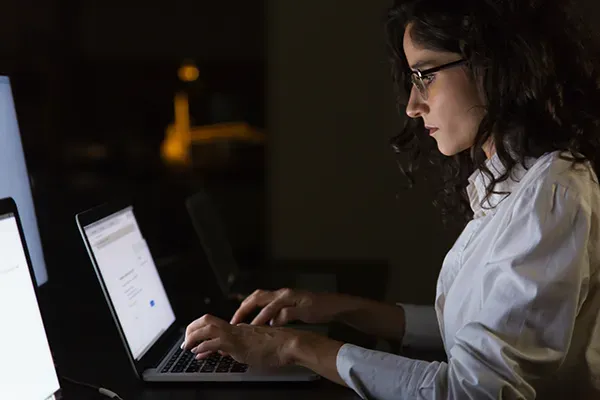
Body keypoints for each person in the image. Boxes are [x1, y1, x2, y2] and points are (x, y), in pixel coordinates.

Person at [181, 0, 600, 398]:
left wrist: (291, 347)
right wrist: (336, 308)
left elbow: (473, 390)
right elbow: (475, 331)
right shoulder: (514, 184)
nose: (414, 106)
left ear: (493, 62)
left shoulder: (552, 193)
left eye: (425, 75)